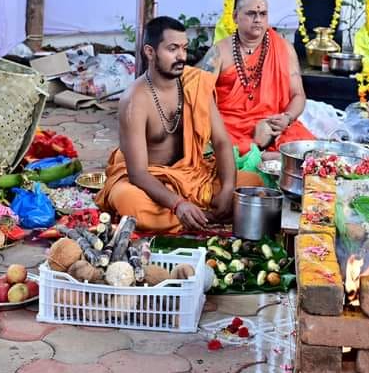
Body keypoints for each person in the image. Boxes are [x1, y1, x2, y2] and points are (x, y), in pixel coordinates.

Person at [96, 17, 262, 232]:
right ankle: (203, 216)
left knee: (253, 184)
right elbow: (138, 173)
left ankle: (194, 217)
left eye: (184, 48)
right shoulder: (135, 100)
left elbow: (221, 142)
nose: (181, 56)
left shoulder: (196, 83)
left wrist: (228, 188)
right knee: (130, 202)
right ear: (150, 52)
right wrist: (178, 204)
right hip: (152, 180)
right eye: (172, 49)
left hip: (194, 175)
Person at [198, 0, 315, 157]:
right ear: (235, 16)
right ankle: (262, 157)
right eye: (251, 13)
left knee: (305, 148)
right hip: (231, 126)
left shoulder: (284, 49)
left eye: (263, 14)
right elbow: (201, 95)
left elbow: (298, 95)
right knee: (220, 147)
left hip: (276, 125)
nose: (258, 19)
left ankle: (268, 156)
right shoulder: (219, 52)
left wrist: (287, 118)